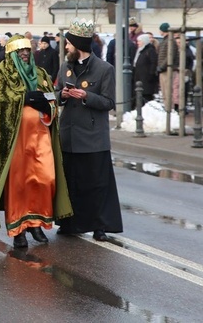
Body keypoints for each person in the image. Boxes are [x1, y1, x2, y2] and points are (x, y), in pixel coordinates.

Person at [0, 35, 72, 248]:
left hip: (40, 138)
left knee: (43, 180)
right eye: (20, 50)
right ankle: (18, 229)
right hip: (14, 141)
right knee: (19, 184)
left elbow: (51, 101)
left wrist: (46, 106)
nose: (24, 53)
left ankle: (37, 223)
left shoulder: (40, 75)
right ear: (11, 53)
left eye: (27, 50)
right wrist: (24, 98)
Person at [56, 18, 122, 241]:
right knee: (70, 183)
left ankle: (99, 226)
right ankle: (69, 223)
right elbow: (56, 94)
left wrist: (87, 96)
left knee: (96, 185)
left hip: (93, 137)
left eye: (68, 44)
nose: (66, 47)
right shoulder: (65, 67)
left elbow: (108, 102)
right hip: (69, 135)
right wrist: (61, 96)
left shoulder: (104, 69)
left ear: (78, 44)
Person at [132, 34, 159, 108]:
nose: (138, 43)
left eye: (139, 41)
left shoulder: (150, 50)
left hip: (146, 78)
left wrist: (150, 74)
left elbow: (153, 63)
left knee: (146, 96)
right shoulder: (140, 50)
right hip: (140, 77)